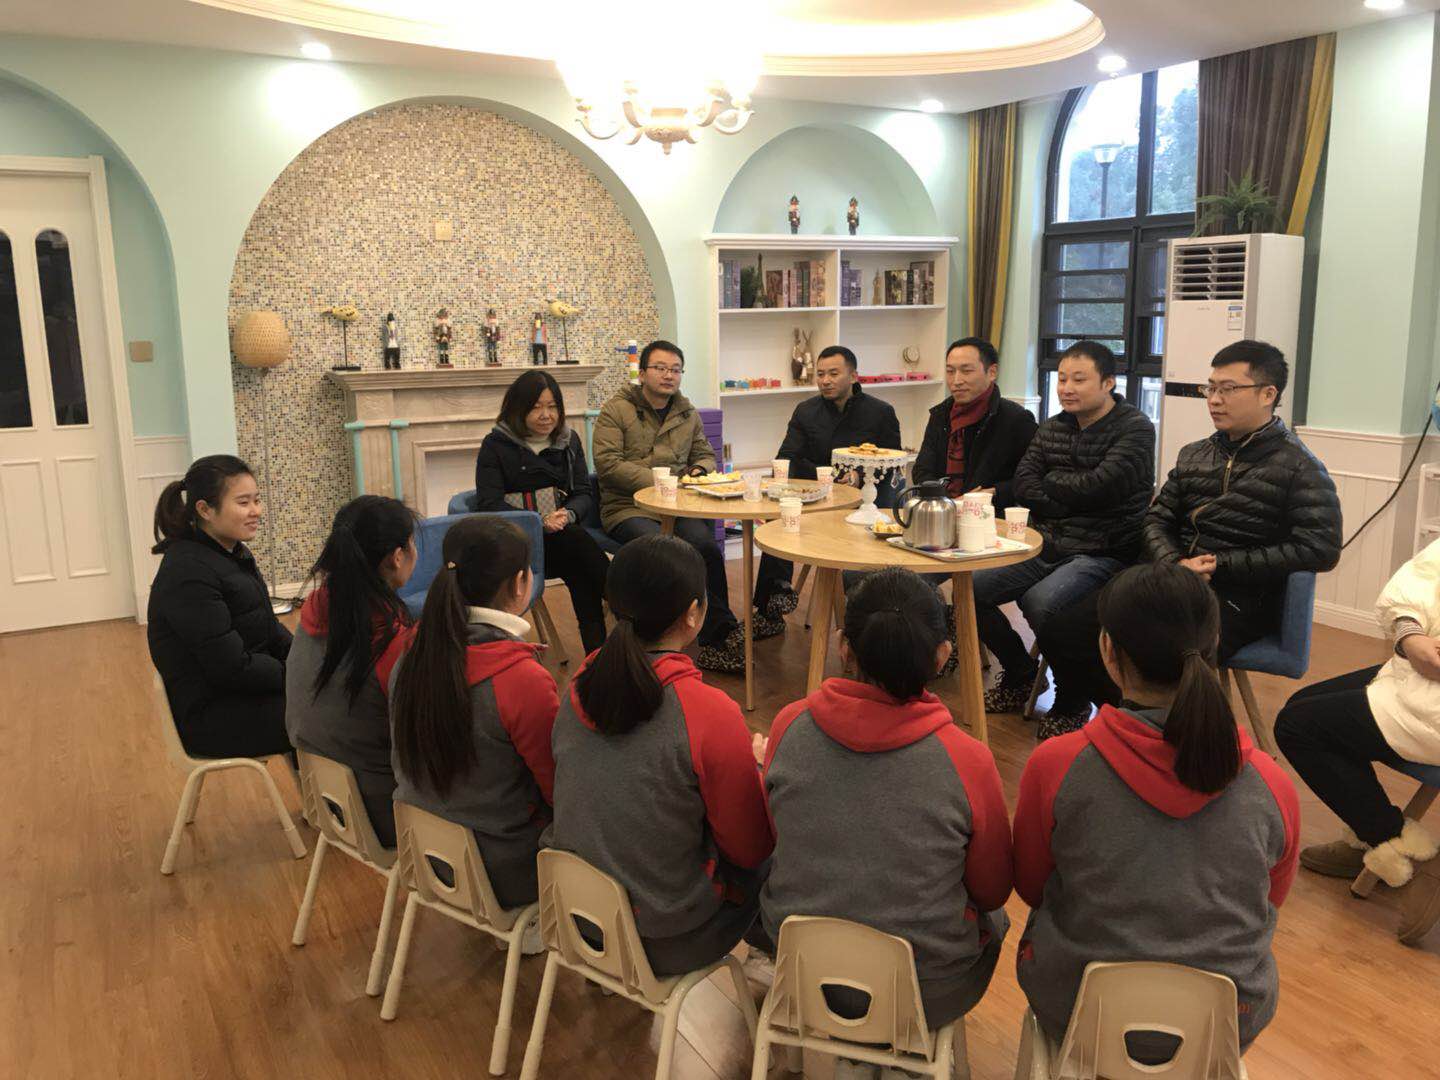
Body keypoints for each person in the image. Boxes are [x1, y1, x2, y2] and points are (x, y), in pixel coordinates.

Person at [1013, 563, 1299, 1059]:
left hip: (1078, 1007)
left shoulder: (1057, 765)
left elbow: (1032, 886)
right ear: (1214, 643)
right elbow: (1270, 897)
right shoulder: (1272, 784)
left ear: (1107, 649)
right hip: (1226, 1022)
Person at [1034, 340, 1342, 737]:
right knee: (1062, 629)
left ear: (1268, 394)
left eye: (1228, 389)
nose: (1214, 399)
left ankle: (1165, 737)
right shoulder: (1195, 454)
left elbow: (1320, 548)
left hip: (1237, 595)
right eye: (1210, 388)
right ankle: (1136, 728)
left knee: (1154, 654)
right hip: (1170, 577)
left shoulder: (1300, 466)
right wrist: (1175, 562)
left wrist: (1220, 564)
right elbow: (1156, 519)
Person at [759, 568, 1011, 1051]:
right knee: (997, 921)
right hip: (925, 989)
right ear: (942, 654)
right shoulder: (967, 759)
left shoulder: (790, 725)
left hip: (801, 969)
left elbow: (775, 836)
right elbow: (992, 889)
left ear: (843, 646)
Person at [546, 535, 773, 975]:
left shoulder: (579, 683)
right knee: (777, 836)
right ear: (692, 614)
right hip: (662, 939)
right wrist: (759, 772)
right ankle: (767, 957)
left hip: (578, 917)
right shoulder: (706, 711)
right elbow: (749, 849)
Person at [975, 340, 1154, 720]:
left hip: (1102, 550)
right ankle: (1022, 674)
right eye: (1061, 379)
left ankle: (1072, 699)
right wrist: (1072, 493)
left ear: (1108, 383)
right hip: (1046, 543)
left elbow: (1100, 488)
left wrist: (1054, 484)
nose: (1066, 388)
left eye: (1079, 379)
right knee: (970, 587)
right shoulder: (1053, 426)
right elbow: (1024, 483)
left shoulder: (1135, 429)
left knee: (1041, 603)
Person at [388, 516, 559, 911]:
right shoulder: (521, 679)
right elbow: (558, 789)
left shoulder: (411, 652)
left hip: (424, 852)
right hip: (502, 869)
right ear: (521, 583)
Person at [1277, 540, 1440, 944]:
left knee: (1298, 727)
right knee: (1304, 705)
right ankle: (1370, 833)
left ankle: (1411, 860)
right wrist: (1410, 633)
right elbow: (1428, 572)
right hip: (1421, 673)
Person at [593, 339, 755, 672]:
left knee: (705, 547)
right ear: (642, 373)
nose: (669, 375)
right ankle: (656, 638)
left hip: (678, 504)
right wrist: (662, 480)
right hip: (627, 507)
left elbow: (705, 454)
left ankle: (719, 635)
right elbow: (607, 464)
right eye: (660, 368)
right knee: (663, 552)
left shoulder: (686, 412)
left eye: (676, 370)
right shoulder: (616, 410)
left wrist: (696, 472)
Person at [285, 495, 417, 848]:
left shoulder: (316, 608)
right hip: (381, 815)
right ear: (397, 556)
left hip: (323, 798)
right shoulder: (392, 643)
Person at [148, 454, 294, 759]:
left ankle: (324, 791)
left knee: (337, 701)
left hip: (241, 695)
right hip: (213, 717)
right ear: (205, 509)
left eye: (257, 500)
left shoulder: (233, 553)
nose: (256, 511)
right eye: (243, 502)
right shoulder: (188, 572)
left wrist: (307, 663)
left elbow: (270, 631)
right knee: (336, 714)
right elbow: (231, 668)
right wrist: (296, 676)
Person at [753, 344, 903, 619]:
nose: (825, 380)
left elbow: (892, 462)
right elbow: (787, 458)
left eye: (833, 373)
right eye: (820, 374)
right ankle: (772, 602)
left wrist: (859, 475)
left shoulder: (881, 412)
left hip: (865, 500)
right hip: (815, 496)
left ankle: (866, 611)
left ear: (853, 376)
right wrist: (825, 475)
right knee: (780, 519)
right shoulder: (806, 410)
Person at [474, 369, 610, 654]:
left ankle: (598, 655)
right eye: (536, 407)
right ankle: (626, 609)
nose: (546, 415)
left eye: (552, 407)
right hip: (519, 545)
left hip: (563, 540)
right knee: (579, 548)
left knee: (579, 564)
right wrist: (538, 521)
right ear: (517, 409)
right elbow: (489, 504)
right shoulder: (495, 445)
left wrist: (568, 515)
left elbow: (583, 492)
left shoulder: (568, 441)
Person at [912, 336, 1038, 505]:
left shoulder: (1016, 419)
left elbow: (1032, 478)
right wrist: (946, 500)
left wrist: (993, 492)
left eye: (966, 371)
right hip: (941, 510)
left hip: (990, 513)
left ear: (992, 372)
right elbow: (922, 470)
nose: (956, 381)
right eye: (950, 371)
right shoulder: (940, 414)